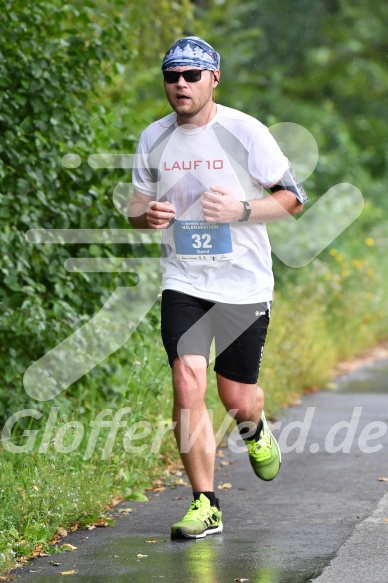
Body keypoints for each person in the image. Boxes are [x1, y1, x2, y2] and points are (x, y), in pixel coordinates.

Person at [128, 36, 308, 540]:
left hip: (243, 282)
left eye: (191, 75)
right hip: (183, 278)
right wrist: (149, 215)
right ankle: (205, 504)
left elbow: (294, 198)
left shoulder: (245, 132)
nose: (180, 84)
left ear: (214, 78)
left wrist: (243, 210)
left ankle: (255, 427)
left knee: (237, 398)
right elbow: (136, 208)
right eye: (172, 75)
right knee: (187, 382)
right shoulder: (153, 137)